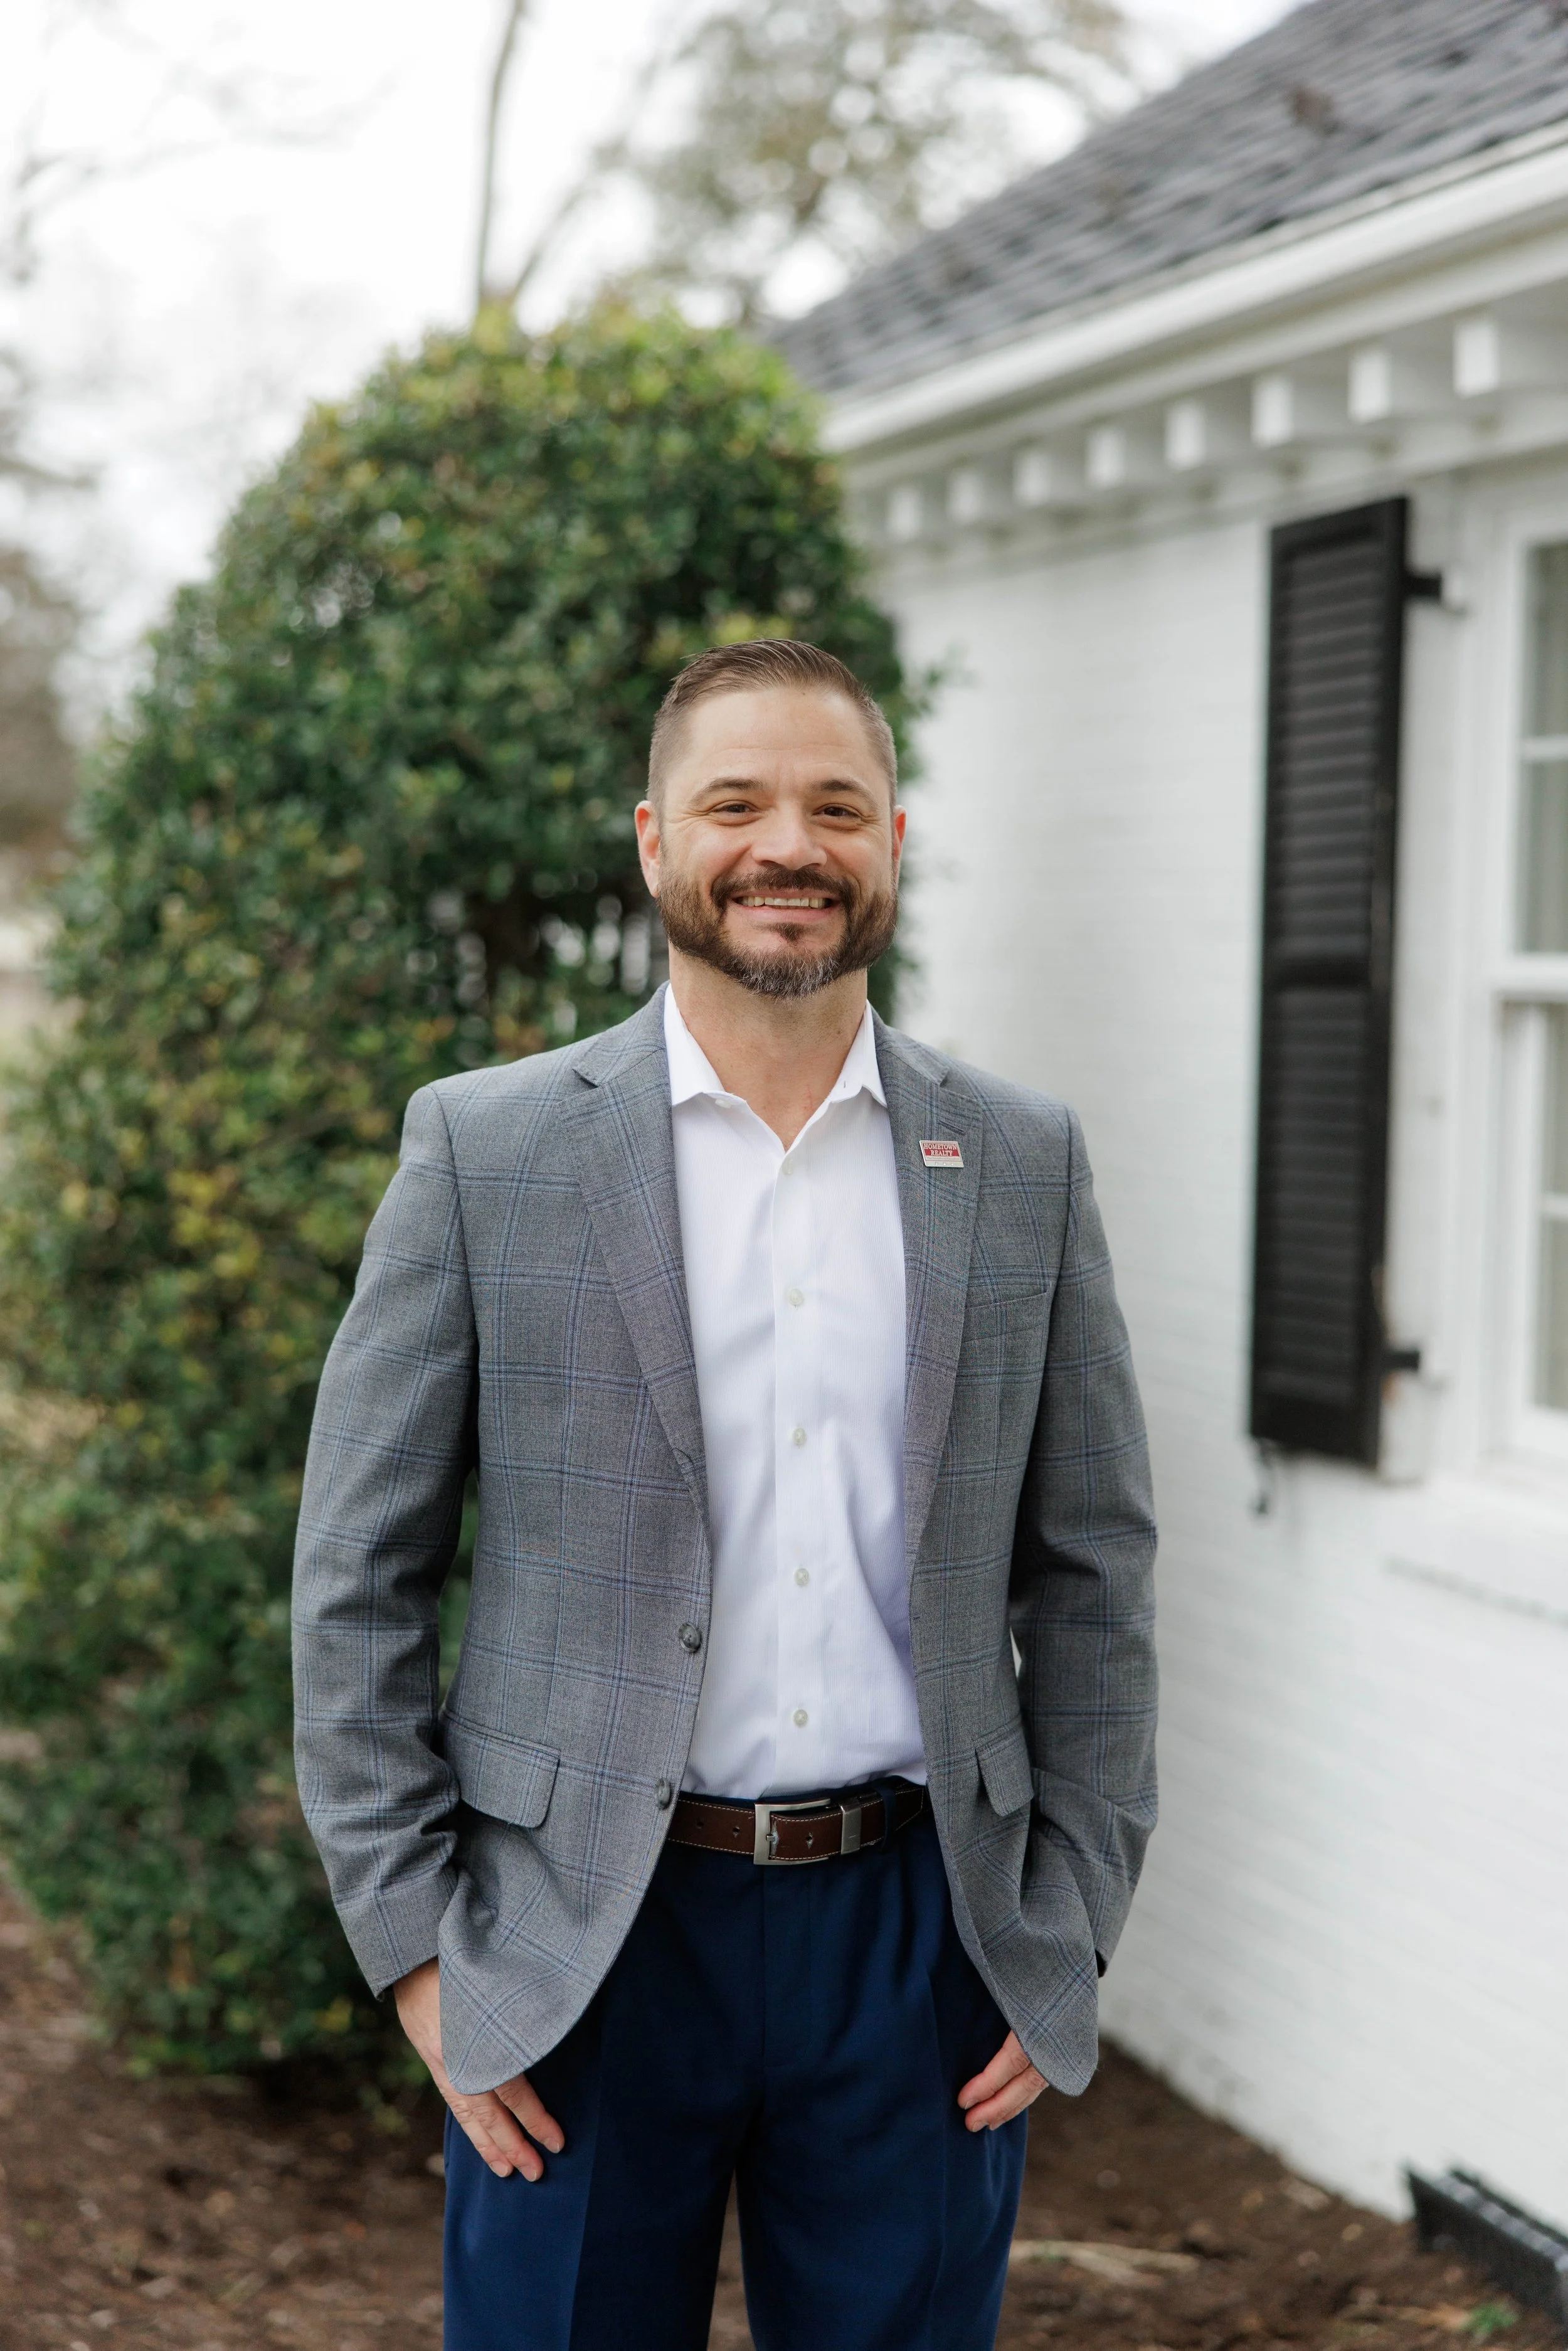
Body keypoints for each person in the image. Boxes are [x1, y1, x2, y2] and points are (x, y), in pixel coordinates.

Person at [292, 637, 1158, 2351]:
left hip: (923, 1936)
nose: (788, 844)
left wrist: (1064, 1916)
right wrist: (414, 1946)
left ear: (890, 841)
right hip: (580, 1941)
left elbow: (1093, 1571)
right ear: (652, 840)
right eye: (735, 803)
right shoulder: (491, 1150)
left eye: (835, 805)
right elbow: (356, 1576)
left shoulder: (1018, 1158)